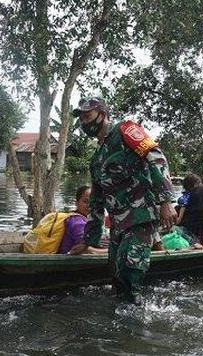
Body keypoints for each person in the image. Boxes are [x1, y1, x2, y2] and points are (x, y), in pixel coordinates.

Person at [67, 96, 177, 305]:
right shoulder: (96, 159)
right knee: (116, 278)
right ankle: (123, 324)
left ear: (102, 114)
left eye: (87, 116)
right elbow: (96, 203)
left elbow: (157, 157)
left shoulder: (125, 131)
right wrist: (88, 241)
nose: (84, 122)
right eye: (80, 119)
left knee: (130, 271)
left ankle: (138, 324)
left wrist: (166, 201)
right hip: (118, 226)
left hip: (141, 217)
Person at [60, 186, 107, 254]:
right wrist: (112, 251)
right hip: (71, 263)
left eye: (93, 202)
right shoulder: (78, 223)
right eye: (86, 201)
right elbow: (85, 250)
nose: (89, 205)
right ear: (76, 203)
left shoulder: (77, 219)